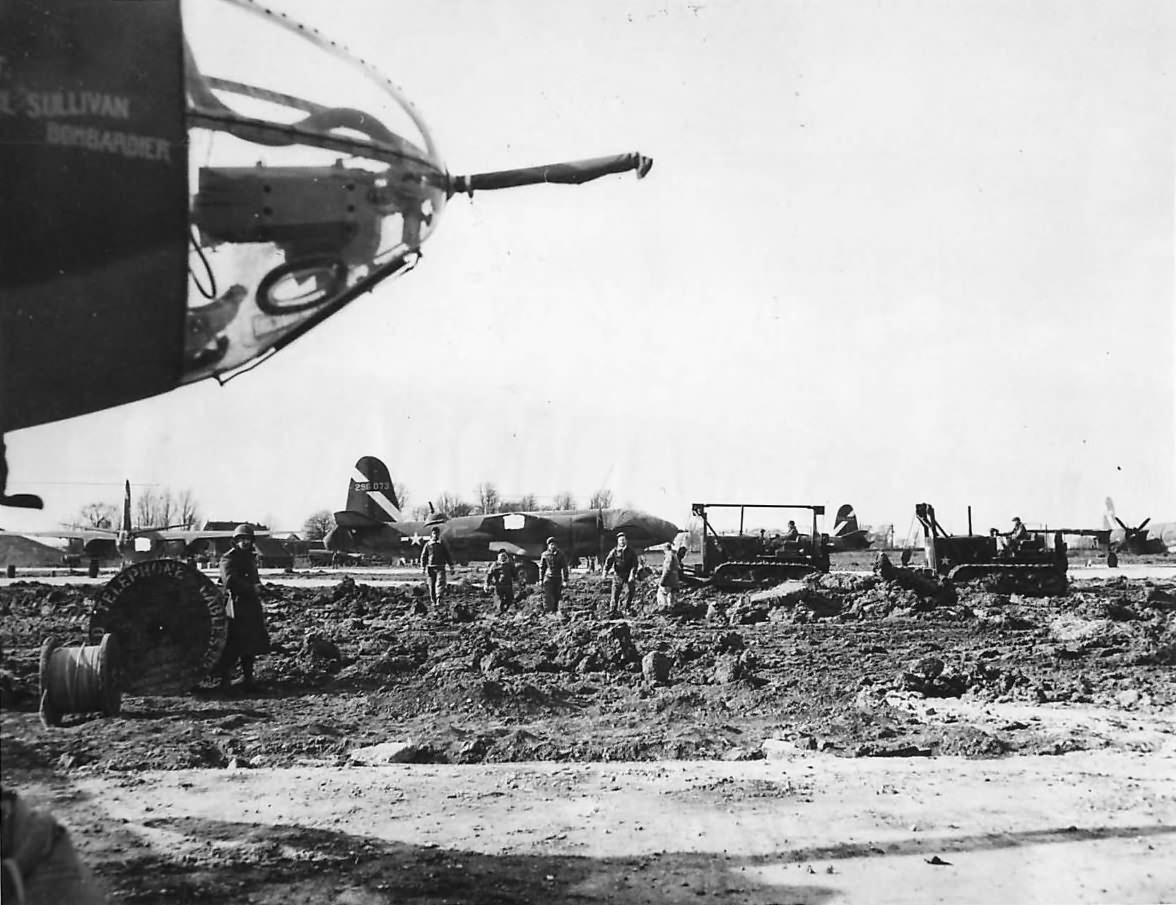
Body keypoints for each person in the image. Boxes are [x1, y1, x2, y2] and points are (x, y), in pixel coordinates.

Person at [218, 524, 270, 692]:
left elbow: (254, 578)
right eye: (241, 539)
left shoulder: (250, 558)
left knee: (251, 643)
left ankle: (248, 679)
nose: (245, 542)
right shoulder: (228, 558)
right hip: (235, 605)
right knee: (232, 644)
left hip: (251, 606)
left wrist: (259, 587)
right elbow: (230, 581)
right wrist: (251, 588)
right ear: (235, 541)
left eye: (247, 539)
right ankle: (225, 681)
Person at [603, 532, 641, 617]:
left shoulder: (631, 551)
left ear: (626, 541)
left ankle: (626, 609)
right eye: (620, 540)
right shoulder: (614, 551)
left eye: (623, 540)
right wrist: (605, 571)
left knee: (630, 592)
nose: (622, 542)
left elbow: (635, 564)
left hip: (628, 575)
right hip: (618, 575)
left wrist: (632, 575)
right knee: (615, 593)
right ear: (618, 541)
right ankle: (613, 610)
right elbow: (608, 561)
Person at [419, 526, 452, 611]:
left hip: (440, 566)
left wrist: (451, 565)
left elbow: (447, 555)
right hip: (430, 567)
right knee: (431, 585)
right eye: (434, 533)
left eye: (437, 533)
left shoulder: (442, 544)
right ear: (431, 534)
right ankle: (433, 601)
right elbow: (424, 556)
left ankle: (439, 599)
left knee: (440, 582)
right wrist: (423, 566)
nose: (435, 535)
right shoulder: (428, 545)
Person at [539, 537, 569, 615]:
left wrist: (565, 580)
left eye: (554, 544)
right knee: (547, 595)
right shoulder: (545, 555)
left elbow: (565, 567)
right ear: (548, 545)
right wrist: (540, 579)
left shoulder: (561, 554)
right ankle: (548, 612)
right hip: (548, 578)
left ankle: (555, 610)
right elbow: (542, 568)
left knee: (557, 595)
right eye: (551, 544)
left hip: (558, 577)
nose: (552, 546)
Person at [656, 543, 686, 611]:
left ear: (665, 549)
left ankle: (663, 608)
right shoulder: (674, 556)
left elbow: (667, 569)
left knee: (661, 593)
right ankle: (672, 609)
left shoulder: (668, 556)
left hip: (668, 581)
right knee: (672, 596)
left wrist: (662, 581)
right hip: (675, 580)